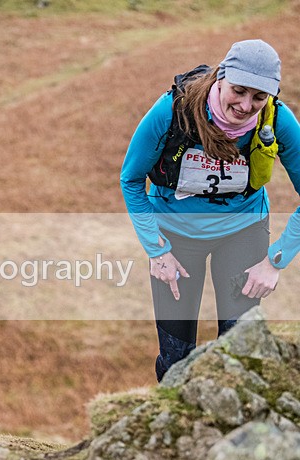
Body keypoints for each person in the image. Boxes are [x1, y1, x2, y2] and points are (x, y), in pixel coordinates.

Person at [121, 39, 300, 382]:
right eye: (239, 90)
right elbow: (131, 180)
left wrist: (276, 260)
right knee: (175, 358)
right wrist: (157, 250)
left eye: (259, 97)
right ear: (221, 77)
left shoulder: (278, 119)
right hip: (174, 236)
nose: (247, 105)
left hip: (243, 232)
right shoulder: (173, 110)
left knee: (238, 352)